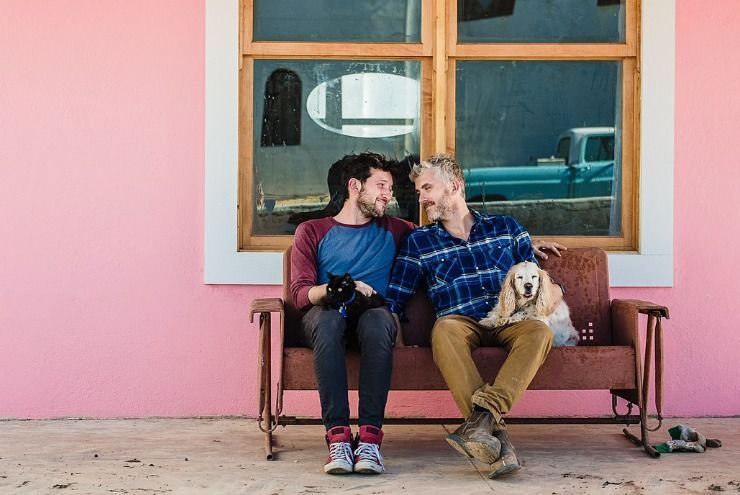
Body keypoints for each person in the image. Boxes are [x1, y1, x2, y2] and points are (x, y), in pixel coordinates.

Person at [385, 153, 565, 479]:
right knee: (444, 330)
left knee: (540, 332)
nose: (421, 198)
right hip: (460, 322)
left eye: (428, 188)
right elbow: (395, 300)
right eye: (419, 191)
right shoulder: (418, 242)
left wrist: (555, 290)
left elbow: (535, 281)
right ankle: (498, 437)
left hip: (510, 318)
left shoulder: (506, 228)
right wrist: (395, 341)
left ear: (454, 186)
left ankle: (481, 422)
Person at [291, 152, 414, 475]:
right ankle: (339, 439)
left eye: (390, 187)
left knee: (377, 319)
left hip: (372, 319)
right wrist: (338, 290)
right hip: (325, 317)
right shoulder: (312, 230)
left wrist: (522, 244)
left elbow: (453, 236)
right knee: (328, 318)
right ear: (355, 186)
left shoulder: (397, 229)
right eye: (382, 185)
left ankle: (370, 442)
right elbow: (301, 293)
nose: (388, 194)